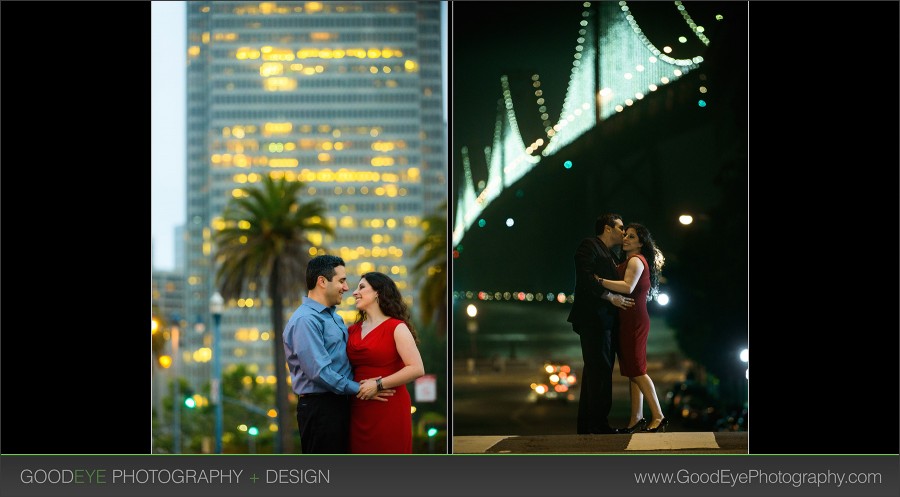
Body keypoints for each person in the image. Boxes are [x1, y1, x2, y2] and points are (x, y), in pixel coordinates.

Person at [283, 255, 394, 454]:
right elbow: (320, 372)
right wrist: (361, 388)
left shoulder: (334, 316)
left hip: (341, 403)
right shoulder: (305, 320)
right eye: (341, 281)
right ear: (322, 282)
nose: (346, 288)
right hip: (321, 408)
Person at [596, 223, 668, 433]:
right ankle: (636, 418)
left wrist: (599, 281)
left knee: (637, 369)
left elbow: (628, 287)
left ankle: (658, 416)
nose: (625, 238)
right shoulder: (631, 260)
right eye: (625, 235)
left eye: (631, 236)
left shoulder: (636, 260)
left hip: (634, 319)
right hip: (629, 318)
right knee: (632, 370)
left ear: (640, 242)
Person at [567, 214, 634, 434]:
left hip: (603, 320)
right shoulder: (589, 246)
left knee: (596, 370)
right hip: (593, 319)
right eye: (620, 227)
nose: (624, 232)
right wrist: (609, 296)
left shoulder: (610, 253)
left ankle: (589, 425)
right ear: (607, 228)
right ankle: (598, 425)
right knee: (600, 369)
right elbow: (585, 277)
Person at [347, 271, 425, 453]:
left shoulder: (396, 327)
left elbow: (417, 368)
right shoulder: (351, 330)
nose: (354, 293)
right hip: (359, 407)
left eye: (361, 287)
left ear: (377, 293)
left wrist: (378, 384)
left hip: (389, 405)